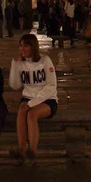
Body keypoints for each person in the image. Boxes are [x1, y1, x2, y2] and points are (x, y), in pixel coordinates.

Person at [8, 33, 58, 163]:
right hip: (28, 97)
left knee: (31, 114)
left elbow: (51, 86)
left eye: (25, 46)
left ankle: (32, 150)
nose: (22, 49)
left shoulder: (45, 61)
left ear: (33, 47)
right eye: (20, 46)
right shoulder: (21, 63)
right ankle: (21, 150)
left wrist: (32, 103)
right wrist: (15, 65)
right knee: (22, 110)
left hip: (47, 99)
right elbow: (15, 85)